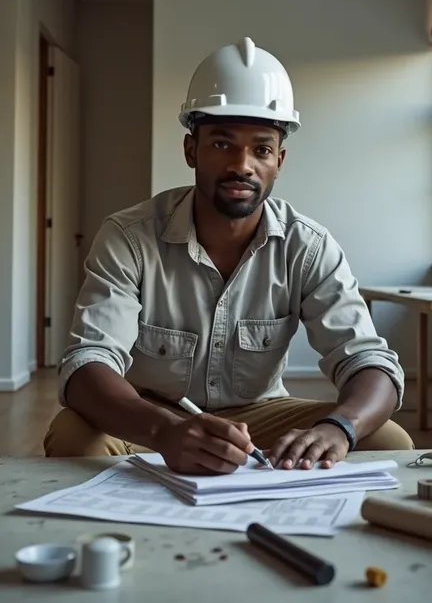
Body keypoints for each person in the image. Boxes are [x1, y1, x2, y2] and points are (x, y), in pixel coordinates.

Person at [44, 37, 413, 471]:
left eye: (261, 148)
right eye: (222, 144)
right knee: (73, 436)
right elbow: (88, 363)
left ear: (280, 160)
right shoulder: (129, 237)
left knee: (388, 438)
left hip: (259, 423)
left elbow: (368, 362)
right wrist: (164, 431)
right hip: (149, 420)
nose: (242, 164)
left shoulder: (308, 247)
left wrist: (340, 428)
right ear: (190, 150)